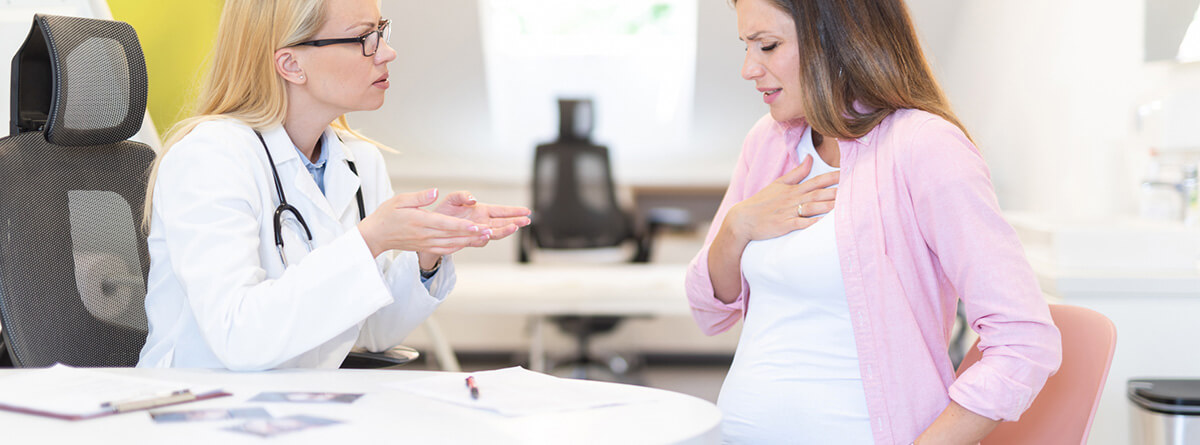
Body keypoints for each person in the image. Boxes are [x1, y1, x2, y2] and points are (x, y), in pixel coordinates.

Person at [683, 0, 1063, 443]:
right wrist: (737, 227)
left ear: (838, 37)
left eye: (767, 46)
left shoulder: (924, 147)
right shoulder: (768, 144)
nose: (749, 68)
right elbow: (708, 311)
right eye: (746, 46)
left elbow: (1024, 340)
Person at [137, 0, 530, 370]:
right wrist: (369, 240)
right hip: (203, 412)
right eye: (364, 39)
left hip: (304, 407)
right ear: (291, 64)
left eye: (381, 31)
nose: (387, 53)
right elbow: (238, 336)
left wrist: (427, 253)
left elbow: (374, 332)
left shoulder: (359, 162)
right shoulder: (210, 157)